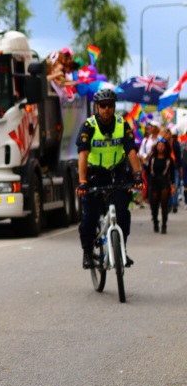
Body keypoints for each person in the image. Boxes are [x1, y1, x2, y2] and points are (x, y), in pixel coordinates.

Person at [76, 88, 141, 269]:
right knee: (89, 217)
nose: (106, 109)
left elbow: (131, 152)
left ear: (114, 107)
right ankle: (88, 252)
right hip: (93, 176)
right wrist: (82, 182)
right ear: (97, 107)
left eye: (110, 106)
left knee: (123, 214)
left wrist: (137, 177)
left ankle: (122, 250)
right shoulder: (88, 127)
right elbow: (83, 155)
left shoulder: (122, 124)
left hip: (116, 175)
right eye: (103, 106)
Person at [145, 139, 175, 234]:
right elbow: (148, 171)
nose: (160, 148)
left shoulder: (169, 159)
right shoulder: (152, 158)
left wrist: (173, 185)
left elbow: (172, 173)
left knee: (164, 203)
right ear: (156, 147)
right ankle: (155, 221)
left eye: (162, 146)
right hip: (154, 182)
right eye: (159, 146)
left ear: (165, 147)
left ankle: (164, 225)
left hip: (164, 182)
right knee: (154, 204)